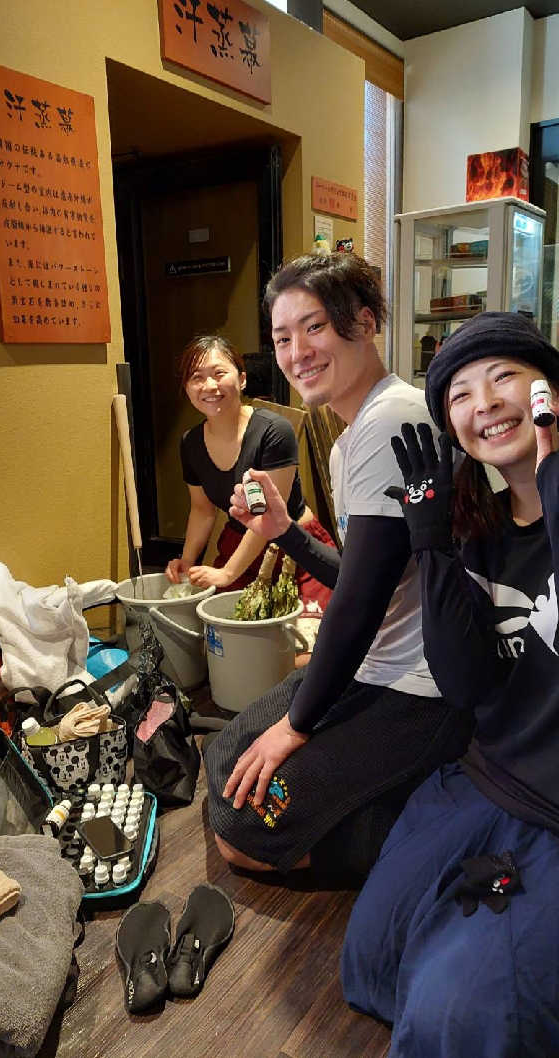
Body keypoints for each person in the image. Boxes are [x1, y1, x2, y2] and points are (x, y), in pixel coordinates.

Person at [342, 311, 559, 1056]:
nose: (486, 403)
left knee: (462, 1012)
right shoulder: (479, 526)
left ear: (554, 390)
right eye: (460, 395)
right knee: (371, 961)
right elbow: (467, 686)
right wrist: (432, 545)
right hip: (497, 782)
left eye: (506, 375)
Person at [204, 252, 471, 886]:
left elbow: (358, 602)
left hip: (419, 691)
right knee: (225, 754)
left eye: (314, 327)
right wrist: (282, 531)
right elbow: (361, 572)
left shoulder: (392, 420)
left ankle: (442, 824)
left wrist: (295, 728)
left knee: (241, 834)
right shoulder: (354, 432)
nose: (297, 352)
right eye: (282, 336)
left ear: (365, 321)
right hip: (372, 669)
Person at [165, 333, 334, 611]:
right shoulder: (191, 443)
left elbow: (267, 519)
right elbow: (202, 510)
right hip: (237, 546)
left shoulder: (274, 431)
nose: (209, 385)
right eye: (196, 377)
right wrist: (187, 560)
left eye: (219, 373)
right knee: (224, 629)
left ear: (242, 379)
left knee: (302, 642)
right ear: (186, 387)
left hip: (294, 547)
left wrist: (227, 573)